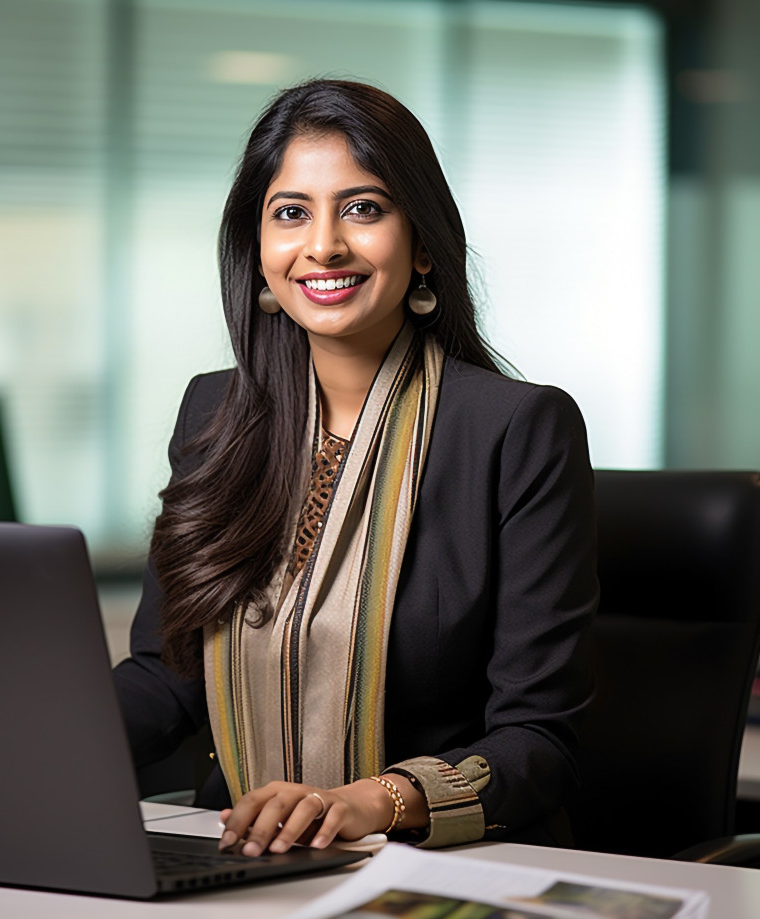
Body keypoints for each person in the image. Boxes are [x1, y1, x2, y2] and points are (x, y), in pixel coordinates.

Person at [113, 79, 598, 857]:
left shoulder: (514, 429)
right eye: (291, 212)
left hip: (438, 861)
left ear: (425, 243)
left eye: (364, 208)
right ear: (258, 248)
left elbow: (540, 740)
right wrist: (23, 735)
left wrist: (374, 802)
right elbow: (166, 677)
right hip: (233, 848)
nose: (324, 244)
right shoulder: (215, 414)